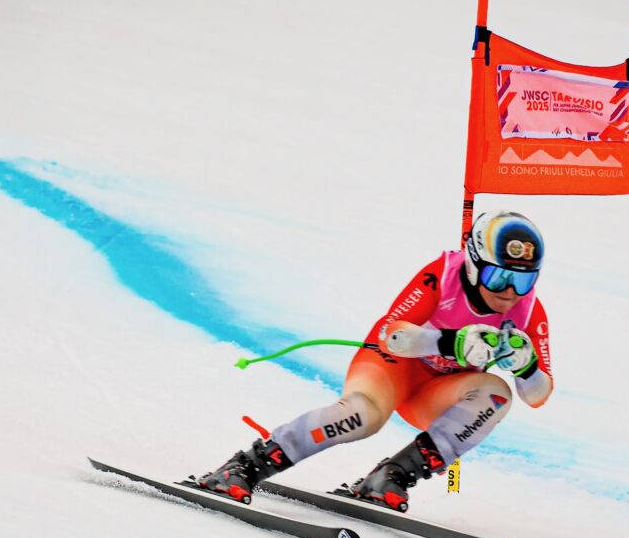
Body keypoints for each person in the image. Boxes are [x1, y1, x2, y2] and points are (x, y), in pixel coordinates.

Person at [197, 210, 554, 512]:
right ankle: (245, 466)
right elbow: (392, 335)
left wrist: (527, 366)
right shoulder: (443, 276)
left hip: (435, 392)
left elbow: (538, 395)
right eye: (499, 276)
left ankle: (393, 475)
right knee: (362, 417)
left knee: (496, 393)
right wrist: (449, 341)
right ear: (475, 265)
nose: (509, 292)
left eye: (523, 281)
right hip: (392, 368)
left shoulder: (527, 311)